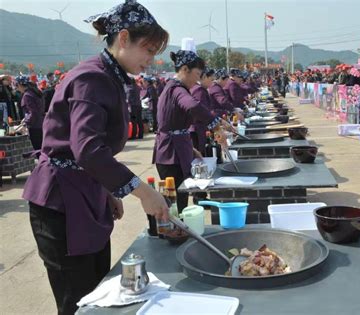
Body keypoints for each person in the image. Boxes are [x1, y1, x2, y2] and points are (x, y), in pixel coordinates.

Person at [22, 1, 170, 313]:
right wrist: (143, 192)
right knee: (78, 300)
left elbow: (91, 151)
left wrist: (106, 189)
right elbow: (87, 150)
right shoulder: (93, 77)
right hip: (61, 200)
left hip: (84, 192)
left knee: (98, 291)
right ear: (124, 38)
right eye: (148, 49)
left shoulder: (111, 76)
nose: (151, 59)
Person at [152, 50, 230, 213]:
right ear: (185, 69)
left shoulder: (172, 88)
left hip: (174, 149)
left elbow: (175, 124)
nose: (197, 80)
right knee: (175, 202)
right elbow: (193, 106)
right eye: (197, 74)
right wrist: (216, 126)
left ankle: (179, 231)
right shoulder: (177, 89)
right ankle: (176, 234)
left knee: (178, 200)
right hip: (171, 154)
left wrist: (191, 148)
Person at [190, 67, 215, 155]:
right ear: (204, 76)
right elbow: (201, 112)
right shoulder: (199, 90)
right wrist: (215, 124)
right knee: (198, 158)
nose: (212, 83)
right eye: (211, 80)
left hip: (197, 129)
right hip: (196, 131)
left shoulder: (197, 88)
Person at [15, 75, 45, 150]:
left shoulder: (27, 95)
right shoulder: (35, 92)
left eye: (17, 85)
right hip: (41, 123)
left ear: (20, 85)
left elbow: (32, 113)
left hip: (34, 126)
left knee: (38, 150)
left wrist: (25, 123)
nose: (16, 88)